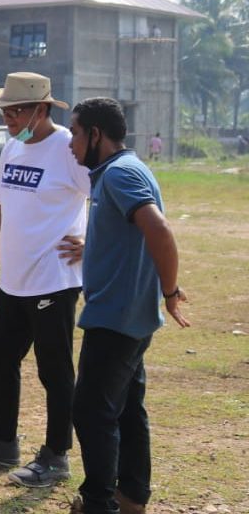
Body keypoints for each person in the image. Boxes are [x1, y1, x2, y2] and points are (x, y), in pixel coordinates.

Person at [0, 72, 90, 489]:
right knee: (2, 357)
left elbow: (104, 193)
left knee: (54, 371)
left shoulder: (68, 148)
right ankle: (2, 443)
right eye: (5, 111)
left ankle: (55, 456)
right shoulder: (12, 147)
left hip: (55, 279)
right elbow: (0, 209)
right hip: (14, 278)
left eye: (17, 110)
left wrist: (91, 242)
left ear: (42, 109)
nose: (9, 118)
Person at [64, 97, 190, 514]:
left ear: (97, 134)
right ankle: (133, 496)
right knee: (127, 410)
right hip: (129, 316)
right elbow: (132, 232)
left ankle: (99, 503)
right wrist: (93, 245)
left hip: (116, 319)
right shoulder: (118, 172)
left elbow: (158, 228)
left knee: (90, 411)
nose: (71, 144)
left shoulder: (119, 173)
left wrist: (170, 292)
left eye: (77, 133)